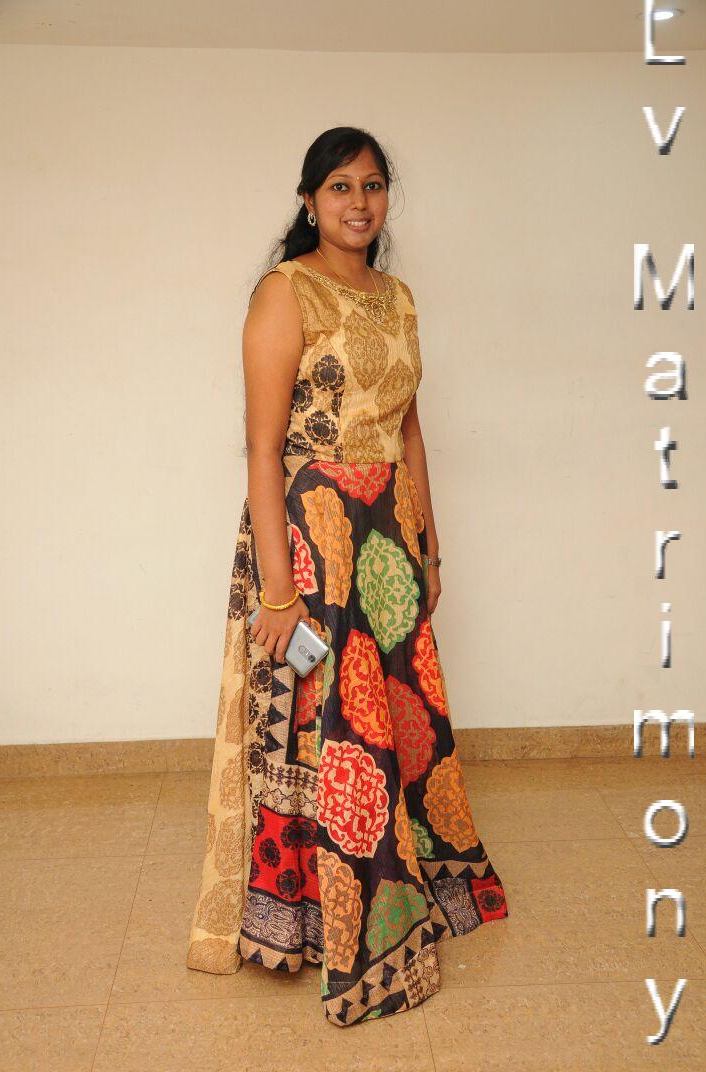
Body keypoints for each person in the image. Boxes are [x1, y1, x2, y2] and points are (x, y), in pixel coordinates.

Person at [186, 126, 508, 1026]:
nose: (358, 202)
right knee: (332, 730)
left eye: (371, 185)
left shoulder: (398, 298)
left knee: (396, 715)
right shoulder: (285, 292)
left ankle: (410, 893)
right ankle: (319, 921)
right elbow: (262, 449)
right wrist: (279, 591)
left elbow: (409, 429)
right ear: (309, 201)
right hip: (313, 537)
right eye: (339, 186)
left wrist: (428, 546)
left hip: (388, 538)